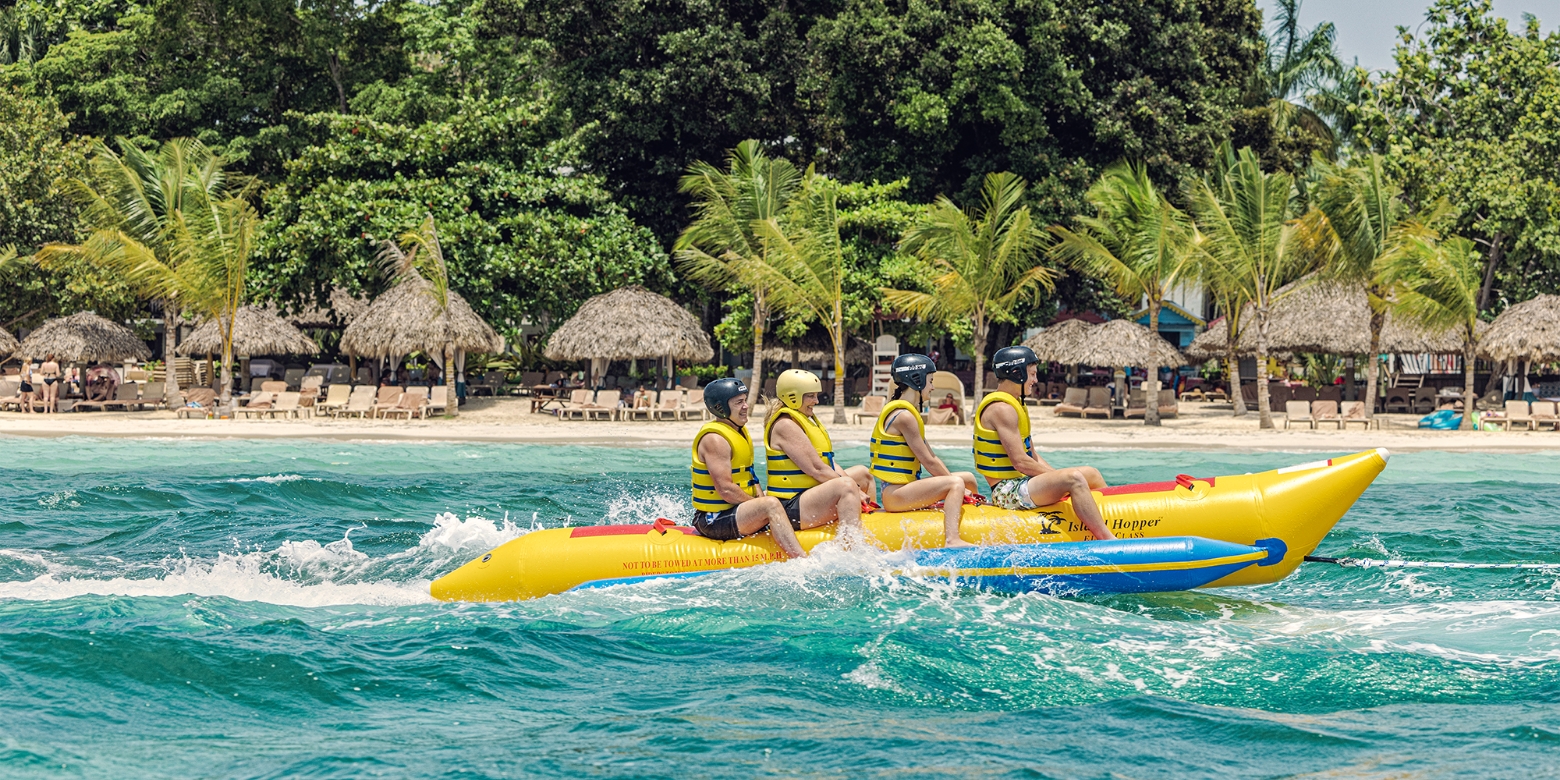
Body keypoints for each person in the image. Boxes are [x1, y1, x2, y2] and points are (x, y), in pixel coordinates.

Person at [974, 345, 1115, 540]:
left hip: (1024, 484)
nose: (1035, 380)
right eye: (1032, 374)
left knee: (1090, 473)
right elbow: (1021, 463)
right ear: (1017, 373)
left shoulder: (1017, 405)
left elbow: (1033, 455)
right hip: (1007, 492)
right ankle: (1108, 540)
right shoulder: (1001, 409)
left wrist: (1056, 479)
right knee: (1073, 478)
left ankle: (1117, 517)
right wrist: (1062, 478)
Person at [870, 354, 981, 548]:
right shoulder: (904, 416)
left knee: (968, 479)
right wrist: (958, 489)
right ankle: (952, 539)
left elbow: (933, 458)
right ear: (917, 380)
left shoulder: (905, 412)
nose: (933, 387)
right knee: (956, 483)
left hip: (903, 490)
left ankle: (979, 517)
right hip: (896, 495)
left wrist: (965, 488)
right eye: (930, 381)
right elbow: (929, 462)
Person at [689, 378, 803, 556]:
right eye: (739, 402)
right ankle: (801, 559)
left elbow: (750, 476)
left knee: (774, 500)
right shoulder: (715, 439)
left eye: (745, 400)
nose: (746, 406)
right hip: (713, 520)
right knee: (771, 505)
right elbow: (726, 490)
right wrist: (761, 506)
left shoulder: (738, 431)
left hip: (734, 511)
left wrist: (761, 500)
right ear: (720, 408)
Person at [762, 369, 869, 538]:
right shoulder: (785, 425)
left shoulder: (803, 419)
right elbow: (817, 469)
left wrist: (858, 487)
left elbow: (829, 464)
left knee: (863, 474)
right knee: (847, 486)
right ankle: (852, 546)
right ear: (793, 396)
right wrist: (855, 490)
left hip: (808, 496)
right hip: (790, 507)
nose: (816, 401)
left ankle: (870, 519)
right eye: (810, 396)